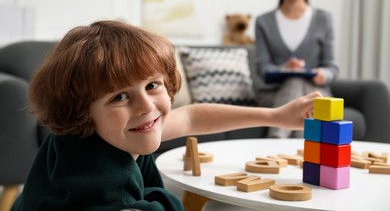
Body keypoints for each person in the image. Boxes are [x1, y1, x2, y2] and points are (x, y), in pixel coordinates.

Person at [11, 20, 321, 210]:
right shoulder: (105, 189)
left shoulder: (95, 131)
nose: (145, 106)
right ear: (82, 111)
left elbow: (192, 118)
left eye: (152, 85)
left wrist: (277, 116)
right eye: (120, 96)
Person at [254, 0, 339, 138]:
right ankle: (301, 157)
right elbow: (262, 68)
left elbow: (332, 68)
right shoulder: (264, 22)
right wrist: (284, 68)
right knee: (300, 90)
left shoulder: (324, 19)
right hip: (274, 93)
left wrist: (322, 74)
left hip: (315, 90)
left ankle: (275, 141)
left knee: (309, 97)